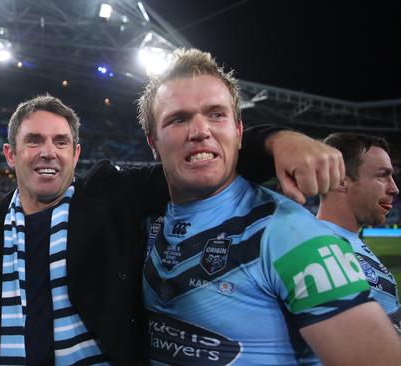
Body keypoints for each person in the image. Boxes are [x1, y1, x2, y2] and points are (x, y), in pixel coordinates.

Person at [0, 93, 345, 365]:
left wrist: (277, 141)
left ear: (76, 154)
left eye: (59, 142)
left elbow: (197, 159)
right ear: (10, 154)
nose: (47, 153)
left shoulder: (114, 197)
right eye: (34, 141)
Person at [138, 48, 401, 365]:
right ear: (153, 142)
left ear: (238, 132)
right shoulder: (144, 218)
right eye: (178, 119)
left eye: (216, 114)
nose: (200, 131)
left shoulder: (290, 234)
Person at [317, 133, 400, 334]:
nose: (394, 188)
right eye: (382, 175)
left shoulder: (348, 240)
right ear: (341, 181)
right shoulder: (319, 254)